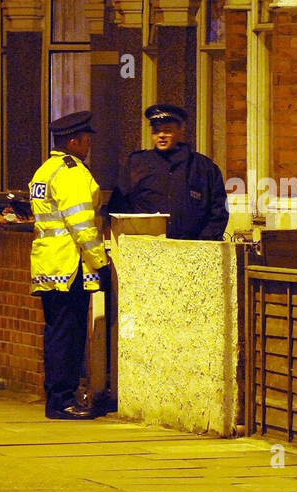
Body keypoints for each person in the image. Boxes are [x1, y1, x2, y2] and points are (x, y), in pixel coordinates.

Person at [28, 110, 111, 420]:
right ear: (73, 141)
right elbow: (82, 225)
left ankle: (56, 397)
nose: (89, 144)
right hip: (71, 265)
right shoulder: (72, 172)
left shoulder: (45, 170)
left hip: (50, 264)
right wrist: (99, 261)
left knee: (56, 332)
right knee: (69, 334)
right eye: (86, 139)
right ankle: (63, 401)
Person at [106, 103, 229, 240]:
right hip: (146, 249)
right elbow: (118, 206)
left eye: (167, 130)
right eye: (156, 131)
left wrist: (202, 244)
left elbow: (219, 211)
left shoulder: (203, 168)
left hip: (191, 251)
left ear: (180, 130)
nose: (161, 135)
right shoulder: (136, 164)